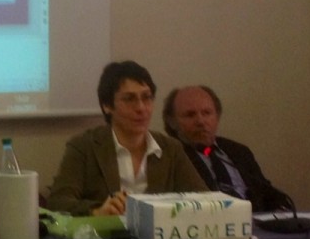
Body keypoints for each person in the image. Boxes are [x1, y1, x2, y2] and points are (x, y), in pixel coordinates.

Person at [47, 61, 206, 216]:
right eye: (129, 99)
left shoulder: (170, 148)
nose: (141, 108)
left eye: (147, 97)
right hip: (105, 233)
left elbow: (204, 200)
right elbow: (58, 202)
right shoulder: (84, 146)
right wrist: (97, 211)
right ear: (107, 106)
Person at [163, 85, 289, 212]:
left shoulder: (239, 151)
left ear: (217, 116)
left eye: (207, 113)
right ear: (171, 121)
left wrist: (283, 210)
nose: (200, 121)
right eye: (190, 115)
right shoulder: (170, 157)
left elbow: (266, 192)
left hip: (256, 219)